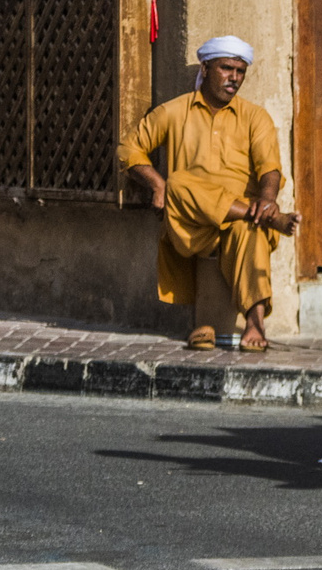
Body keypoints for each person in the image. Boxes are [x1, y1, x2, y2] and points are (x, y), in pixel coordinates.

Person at [118, 36, 301, 352]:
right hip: (192, 224)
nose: (234, 78)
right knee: (178, 183)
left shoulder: (254, 117)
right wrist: (157, 185)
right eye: (226, 68)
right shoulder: (175, 112)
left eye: (240, 71)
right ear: (206, 67)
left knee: (250, 229)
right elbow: (128, 149)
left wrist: (268, 199)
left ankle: (254, 325)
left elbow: (270, 168)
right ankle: (266, 218)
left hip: (243, 222)